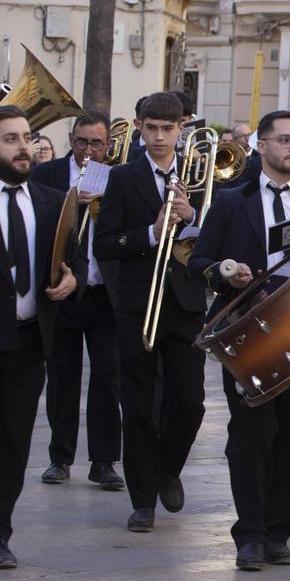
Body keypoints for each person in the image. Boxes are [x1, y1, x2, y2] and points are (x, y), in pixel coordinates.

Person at [189, 110, 290, 571]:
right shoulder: (231, 201)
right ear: (261, 147)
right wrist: (227, 273)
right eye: (284, 141)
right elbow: (200, 258)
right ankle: (251, 534)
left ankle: (281, 531)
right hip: (250, 329)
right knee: (250, 433)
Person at [94, 91, 208, 534]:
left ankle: (167, 469)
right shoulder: (122, 178)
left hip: (185, 303)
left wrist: (192, 215)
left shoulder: (200, 175)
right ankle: (143, 501)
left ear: (182, 129)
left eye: (169, 128)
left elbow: (218, 234)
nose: (160, 137)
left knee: (191, 403)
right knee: (138, 405)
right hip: (138, 301)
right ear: (139, 127)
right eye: (152, 128)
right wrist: (151, 230)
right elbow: (105, 243)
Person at [0, 106, 78, 569]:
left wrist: (72, 282)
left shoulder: (52, 201)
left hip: (27, 343)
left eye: (27, 137)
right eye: (10, 138)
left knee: (13, 443)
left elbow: (74, 262)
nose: (24, 147)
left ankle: (1, 532)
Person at [30, 113, 124, 491]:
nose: (88, 151)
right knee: (62, 378)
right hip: (63, 291)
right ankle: (60, 457)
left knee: (108, 378)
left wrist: (103, 205)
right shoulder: (48, 174)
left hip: (105, 293)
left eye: (96, 144)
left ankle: (104, 462)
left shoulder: (119, 177)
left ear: (108, 146)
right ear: (71, 139)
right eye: (82, 142)